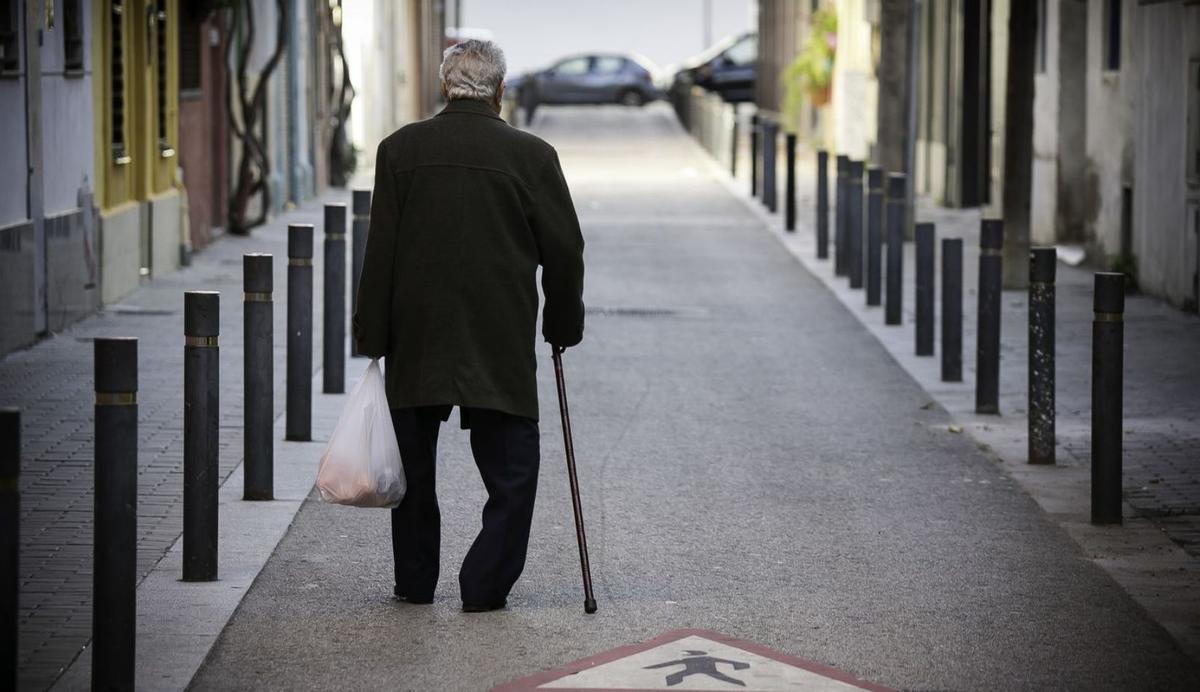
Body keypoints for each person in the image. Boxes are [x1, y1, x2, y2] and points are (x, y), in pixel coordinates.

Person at [353, 39, 585, 613]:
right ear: (500, 92)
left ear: (443, 88)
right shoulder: (533, 156)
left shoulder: (399, 150)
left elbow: (380, 250)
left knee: (412, 466)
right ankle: (484, 585)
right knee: (512, 471)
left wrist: (372, 338)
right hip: (497, 332)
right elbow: (565, 250)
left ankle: (415, 580)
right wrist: (561, 324)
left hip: (418, 331)